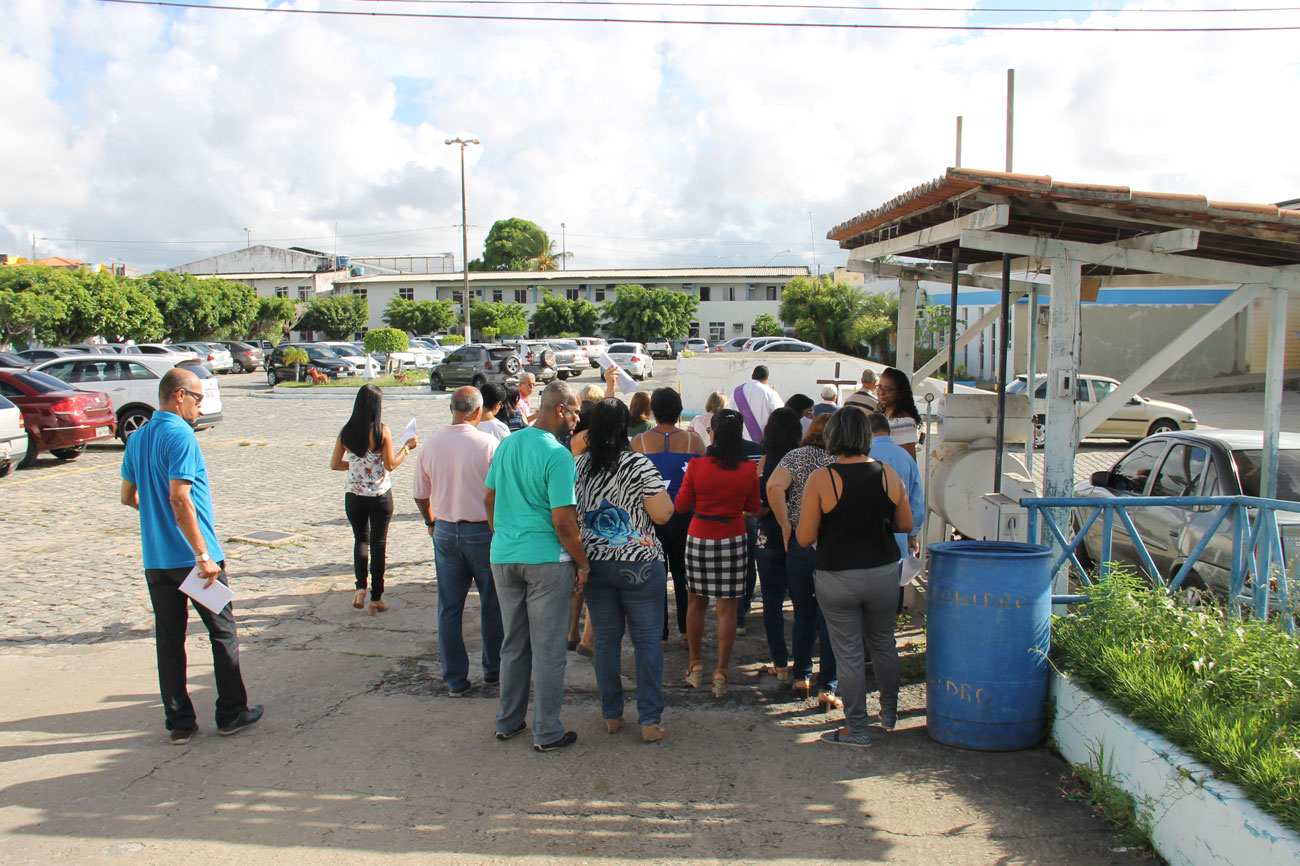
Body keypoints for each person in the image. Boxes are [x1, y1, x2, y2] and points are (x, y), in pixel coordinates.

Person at [120, 366, 263, 744]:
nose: (201, 407)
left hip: (157, 559)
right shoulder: (181, 436)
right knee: (222, 632)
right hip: (193, 562)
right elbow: (180, 498)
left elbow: (128, 497)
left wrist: (156, 518)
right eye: (198, 398)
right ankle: (231, 712)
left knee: (169, 641)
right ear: (179, 396)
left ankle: (179, 722)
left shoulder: (138, 437)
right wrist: (202, 554)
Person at [797, 408, 913, 748]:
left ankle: (857, 728)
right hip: (883, 572)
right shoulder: (888, 473)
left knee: (848, 653)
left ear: (833, 436)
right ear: (865, 436)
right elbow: (906, 524)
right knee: (884, 644)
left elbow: (805, 537)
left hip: (837, 575)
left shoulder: (822, 479)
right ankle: (889, 713)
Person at [485, 380, 590, 752]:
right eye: (575, 411)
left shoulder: (508, 443)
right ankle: (547, 731)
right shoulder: (558, 455)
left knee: (513, 643)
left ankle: (508, 721)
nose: (578, 419)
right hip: (546, 561)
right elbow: (564, 522)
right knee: (548, 650)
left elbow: (489, 498)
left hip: (504, 557)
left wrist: (503, 534)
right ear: (560, 409)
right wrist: (583, 564)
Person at [575, 399, 676, 742]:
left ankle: (611, 715)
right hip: (641, 562)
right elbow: (662, 514)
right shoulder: (639, 464)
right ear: (623, 427)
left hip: (594, 562)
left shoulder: (577, 466)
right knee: (647, 642)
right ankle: (650, 720)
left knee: (605, 641)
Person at [413, 386, 502, 697]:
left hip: (446, 529)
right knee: (492, 602)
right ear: (477, 411)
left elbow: (420, 493)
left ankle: (455, 678)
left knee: (449, 607)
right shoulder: (489, 444)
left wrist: (431, 521)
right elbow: (499, 493)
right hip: (482, 531)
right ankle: (494, 668)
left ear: (452, 408)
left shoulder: (431, 445)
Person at [674, 409, 761, 698]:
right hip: (733, 537)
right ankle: (721, 671)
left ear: (713, 434)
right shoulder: (748, 469)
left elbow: (681, 505)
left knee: (696, 603)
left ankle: (695, 664)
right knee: (728, 609)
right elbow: (753, 507)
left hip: (699, 536)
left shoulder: (697, 466)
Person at [767, 413, 839, 710]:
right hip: (833, 546)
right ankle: (827, 686)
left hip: (800, 541)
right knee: (831, 618)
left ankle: (801, 676)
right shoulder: (840, 460)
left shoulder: (796, 456)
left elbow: (774, 486)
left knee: (803, 613)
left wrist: (785, 523)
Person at [330, 384, 416, 616]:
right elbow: (391, 464)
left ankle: (360, 588)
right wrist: (407, 448)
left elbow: (335, 464)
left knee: (360, 540)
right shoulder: (381, 431)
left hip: (354, 495)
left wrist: (357, 466)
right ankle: (376, 597)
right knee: (378, 544)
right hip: (379, 495)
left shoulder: (346, 431)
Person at [631, 387, 706, 642]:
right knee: (684, 575)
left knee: (655, 575)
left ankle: (661, 635)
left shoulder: (638, 442)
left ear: (654, 410)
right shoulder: (694, 441)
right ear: (679, 410)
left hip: (650, 516)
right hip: (685, 516)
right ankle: (686, 631)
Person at [752, 408, 804, 682]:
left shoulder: (767, 461)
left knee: (771, 602)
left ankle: (780, 663)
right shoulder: (803, 460)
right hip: (800, 537)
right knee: (802, 602)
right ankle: (803, 665)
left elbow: (760, 505)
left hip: (769, 538)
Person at [867, 413, 925, 566]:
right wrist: (912, 534)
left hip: (867, 540)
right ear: (889, 432)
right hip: (899, 537)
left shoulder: (864, 455)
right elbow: (916, 499)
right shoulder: (906, 456)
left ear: (866, 431)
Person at [876, 367, 922, 459]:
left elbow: (909, 459)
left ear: (899, 392)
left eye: (886, 389)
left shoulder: (904, 421)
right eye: (879, 387)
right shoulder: (884, 413)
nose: (881, 392)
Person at [732, 365, 782, 443]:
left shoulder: (736, 392)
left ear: (752, 376)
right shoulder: (770, 393)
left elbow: (730, 411)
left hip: (740, 442)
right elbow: (780, 415)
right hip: (763, 443)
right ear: (766, 379)